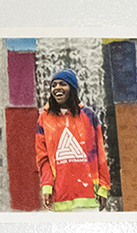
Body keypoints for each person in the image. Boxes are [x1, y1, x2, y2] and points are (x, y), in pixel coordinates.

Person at [35, 69, 109, 213]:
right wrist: (46, 186)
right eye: (54, 85)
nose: (57, 88)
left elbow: (99, 155)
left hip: (88, 197)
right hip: (59, 197)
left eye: (62, 84)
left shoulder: (89, 116)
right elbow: (43, 158)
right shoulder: (44, 119)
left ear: (72, 88)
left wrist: (104, 187)